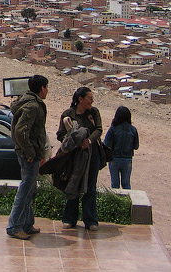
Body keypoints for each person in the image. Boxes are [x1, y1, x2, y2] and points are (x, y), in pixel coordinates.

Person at [6, 74, 49, 240]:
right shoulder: (32, 106)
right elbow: (20, 131)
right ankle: (15, 226)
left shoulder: (27, 101)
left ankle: (27, 224)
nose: (47, 91)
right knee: (25, 191)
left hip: (29, 154)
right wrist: (30, 151)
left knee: (30, 189)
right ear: (41, 88)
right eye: (46, 87)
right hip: (29, 156)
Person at [57, 86, 103, 231]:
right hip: (74, 157)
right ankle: (69, 219)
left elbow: (99, 130)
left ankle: (91, 220)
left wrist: (87, 141)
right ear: (80, 99)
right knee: (73, 184)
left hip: (92, 155)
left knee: (90, 187)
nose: (92, 101)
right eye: (89, 98)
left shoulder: (93, 113)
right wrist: (72, 140)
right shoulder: (68, 115)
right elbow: (60, 134)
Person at [104, 105, 139, 189]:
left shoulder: (113, 129)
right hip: (127, 159)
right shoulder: (133, 129)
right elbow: (136, 146)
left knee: (115, 185)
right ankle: (127, 202)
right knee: (126, 184)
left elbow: (106, 143)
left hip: (114, 159)